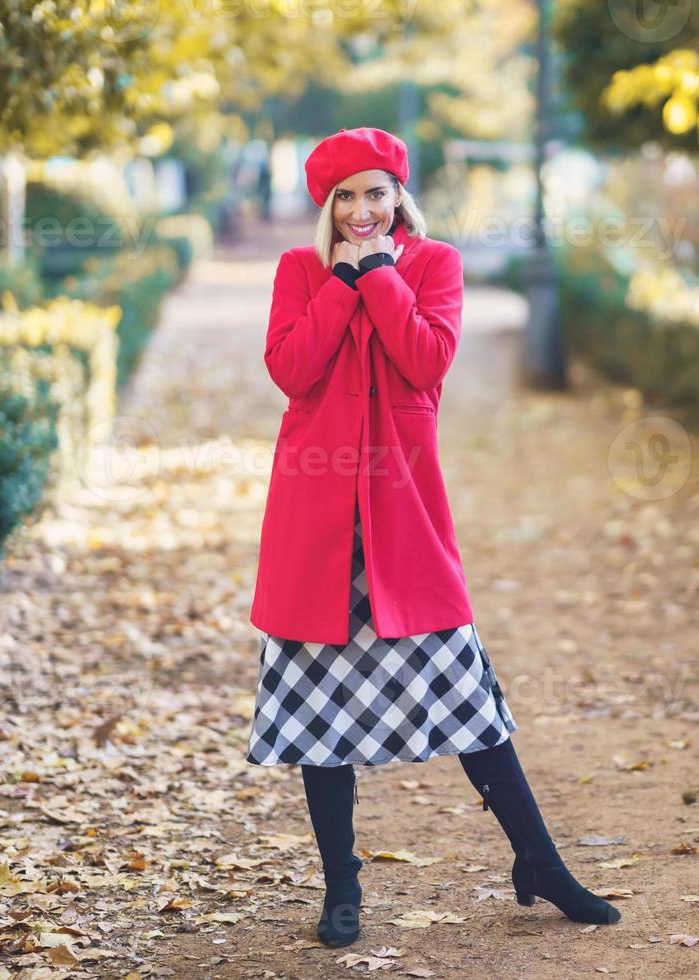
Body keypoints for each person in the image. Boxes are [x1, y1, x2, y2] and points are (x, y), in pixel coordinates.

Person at [244, 127, 620, 948]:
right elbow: (293, 371)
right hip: (317, 519)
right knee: (318, 713)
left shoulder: (433, 265)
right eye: (346, 196)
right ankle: (341, 885)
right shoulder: (299, 271)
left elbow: (425, 359)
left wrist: (376, 275)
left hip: (404, 517)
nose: (362, 209)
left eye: (376, 193)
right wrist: (340, 283)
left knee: (466, 696)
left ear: (398, 197)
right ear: (328, 206)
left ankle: (541, 862)